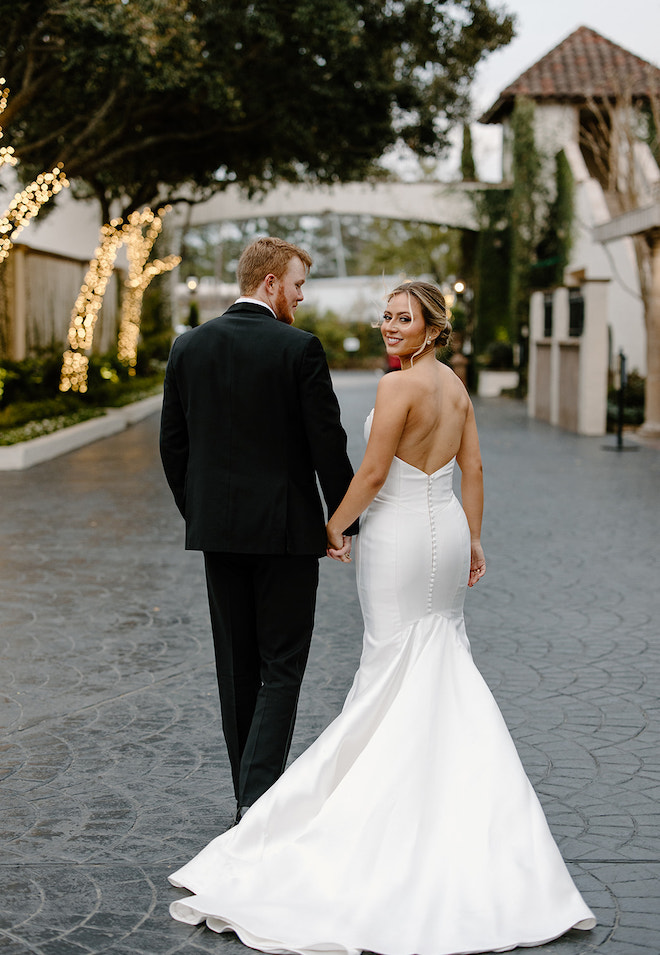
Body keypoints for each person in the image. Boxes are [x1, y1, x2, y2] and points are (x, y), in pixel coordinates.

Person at [168, 280, 596, 954]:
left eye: (404, 318)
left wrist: (328, 528)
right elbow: (473, 466)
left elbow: (369, 474)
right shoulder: (454, 386)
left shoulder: (399, 389)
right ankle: (463, 824)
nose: (388, 326)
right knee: (438, 663)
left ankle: (383, 819)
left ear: (432, 325)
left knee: (390, 665)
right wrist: (475, 536)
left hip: (399, 536)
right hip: (447, 527)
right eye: (386, 315)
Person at [160, 236, 357, 824]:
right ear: (270, 283)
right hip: (286, 536)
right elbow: (329, 445)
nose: (301, 295)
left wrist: (202, 516)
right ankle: (256, 801)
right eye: (298, 284)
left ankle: (247, 795)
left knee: (237, 667)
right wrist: (343, 522)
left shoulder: (188, 347)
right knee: (282, 667)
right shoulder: (299, 349)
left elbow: (175, 448)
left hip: (218, 534)